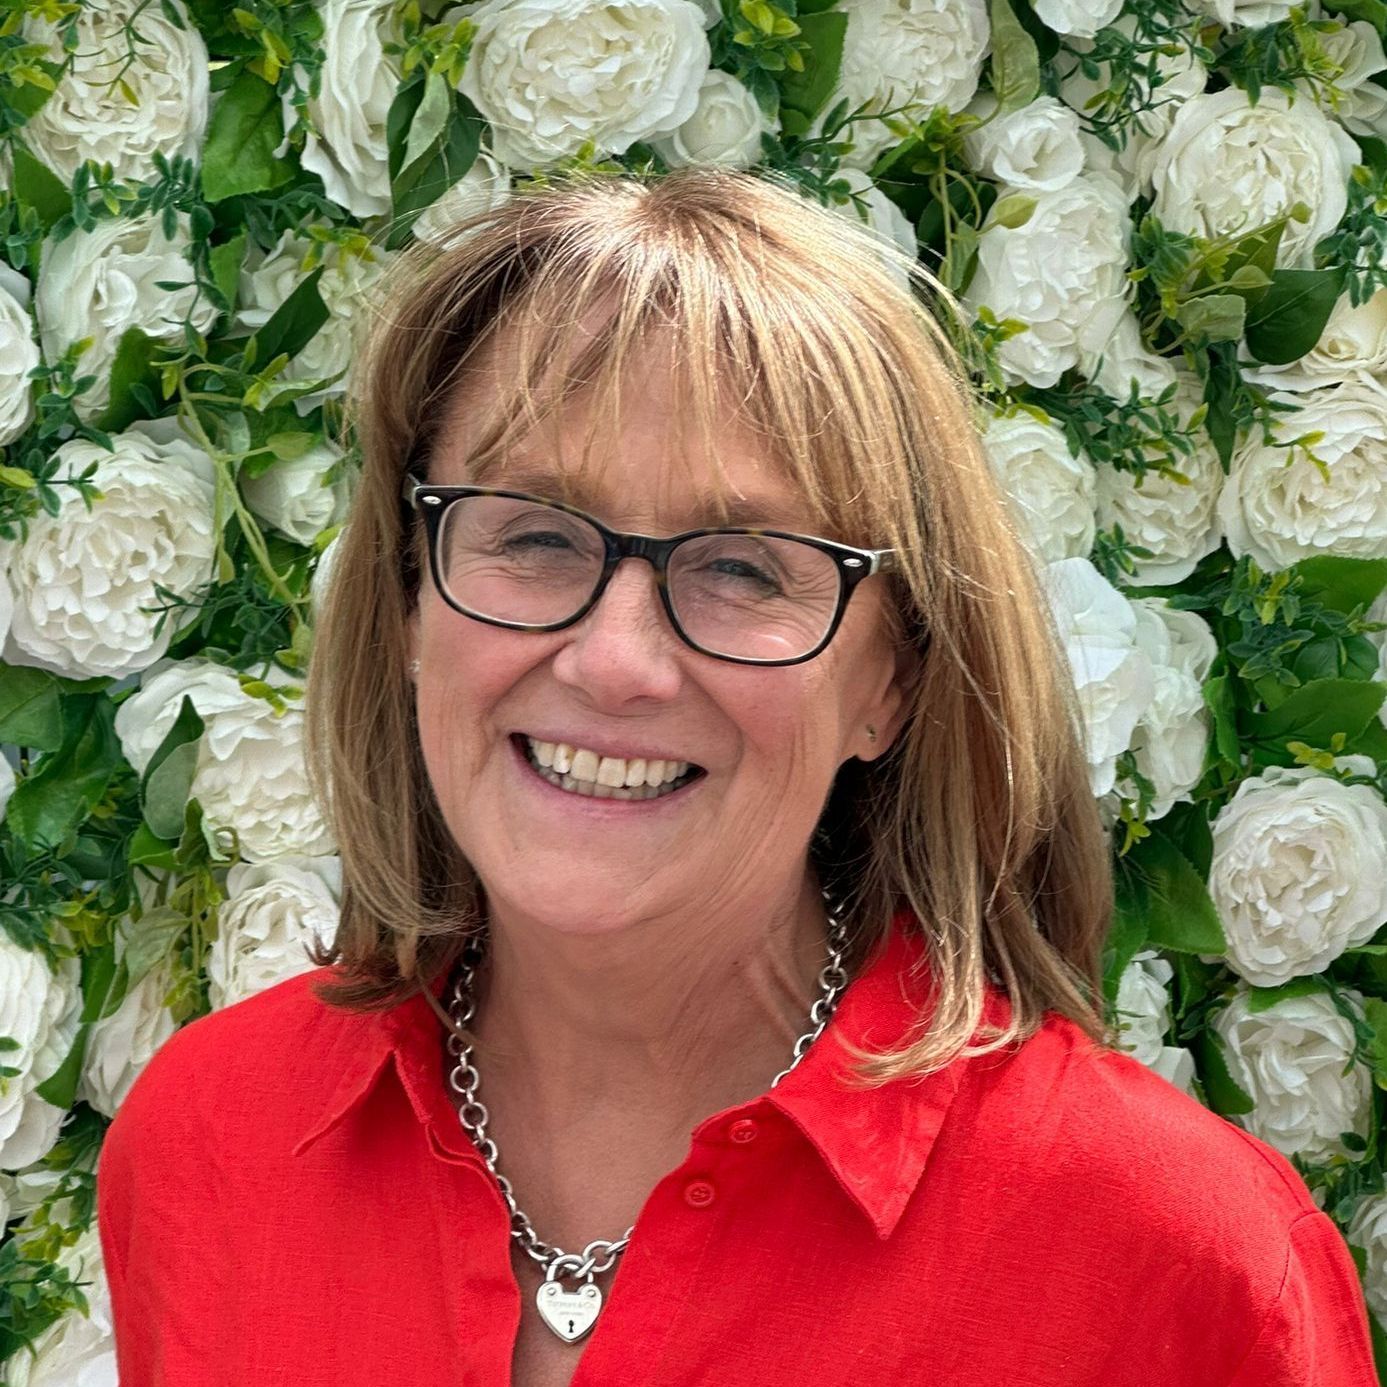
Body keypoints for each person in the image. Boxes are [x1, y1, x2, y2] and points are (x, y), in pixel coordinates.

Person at [97, 168, 1376, 1386]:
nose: (614, 662)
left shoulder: (1172, 1259)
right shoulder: (211, 1138)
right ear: (411, 602)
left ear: (891, 680)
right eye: (532, 536)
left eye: (742, 567)